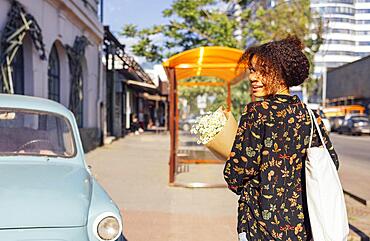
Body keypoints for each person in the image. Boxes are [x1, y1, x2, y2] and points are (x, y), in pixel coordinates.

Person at [223, 36, 339, 241]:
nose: (252, 77)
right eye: (251, 70)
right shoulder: (310, 115)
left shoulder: (257, 113)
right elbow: (331, 163)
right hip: (303, 227)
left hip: (260, 225)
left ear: (282, 72)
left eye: (261, 70)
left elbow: (235, 175)